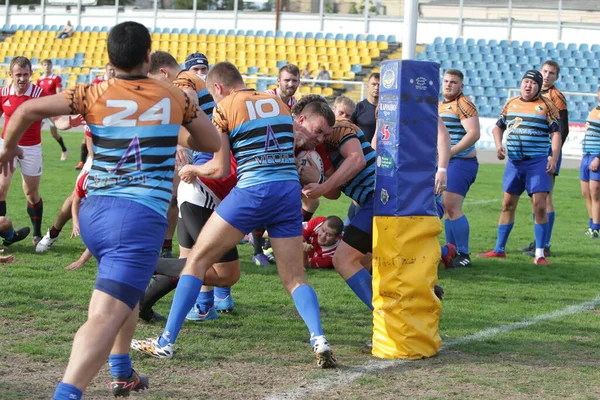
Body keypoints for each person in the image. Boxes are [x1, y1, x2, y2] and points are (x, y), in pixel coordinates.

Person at [0, 21, 219, 399]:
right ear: (148, 56)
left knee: (126, 294)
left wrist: (6, 148)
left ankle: (122, 372)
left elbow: (29, 110)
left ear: (110, 58)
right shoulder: (174, 97)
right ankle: (66, 394)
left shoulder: (92, 92)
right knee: (103, 317)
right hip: (134, 219)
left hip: (94, 213)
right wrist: (176, 122)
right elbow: (211, 140)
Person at [131, 62, 337, 369]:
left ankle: (166, 342)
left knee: (198, 260)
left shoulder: (225, 106)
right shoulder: (281, 104)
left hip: (253, 190)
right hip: (286, 192)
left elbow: (221, 168)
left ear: (217, 88)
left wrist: (191, 168)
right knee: (295, 278)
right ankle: (319, 339)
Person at [478, 70, 561, 265]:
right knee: (507, 204)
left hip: (537, 163)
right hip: (514, 163)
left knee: (540, 206)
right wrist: (499, 144)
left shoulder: (547, 105)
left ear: (539, 87)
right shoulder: (511, 103)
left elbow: (556, 134)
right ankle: (499, 249)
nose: (528, 85)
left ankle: (539, 253)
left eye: (533, 83)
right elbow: (497, 127)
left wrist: (553, 157)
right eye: (525, 81)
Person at [148, 50, 216, 258]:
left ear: (163, 72)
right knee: (179, 198)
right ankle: (174, 249)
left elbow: (189, 99)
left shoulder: (183, 79)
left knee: (187, 201)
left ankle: (198, 254)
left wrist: (177, 136)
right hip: (207, 148)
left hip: (205, 151)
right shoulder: (190, 78)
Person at [519, 60, 570, 257]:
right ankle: (538, 242)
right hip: (534, 152)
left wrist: (553, 154)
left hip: (547, 153)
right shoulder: (535, 94)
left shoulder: (556, 96)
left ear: (556, 77)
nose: (547, 76)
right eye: (545, 71)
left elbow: (563, 129)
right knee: (537, 199)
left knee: (546, 198)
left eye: (552, 73)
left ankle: (545, 245)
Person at [0, 56, 47, 245]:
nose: (22, 79)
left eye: (25, 74)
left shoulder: (39, 94)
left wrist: (67, 122)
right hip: (8, 145)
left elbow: (56, 116)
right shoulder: (3, 93)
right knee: (1, 189)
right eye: (18, 75)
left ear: (31, 74)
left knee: (31, 192)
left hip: (31, 148)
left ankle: (37, 234)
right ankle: (7, 235)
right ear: (10, 75)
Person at [438, 69, 481, 268]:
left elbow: (473, 133)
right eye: (446, 81)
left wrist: (451, 152)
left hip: (461, 162)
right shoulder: (439, 105)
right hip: (446, 162)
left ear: (461, 86)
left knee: (451, 205)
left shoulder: (463, 104)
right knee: (447, 208)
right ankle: (452, 251)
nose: (448, 85)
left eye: (453, 82)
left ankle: (463, 253)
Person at [74, 63, 116, 170]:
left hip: (110, 116)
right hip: (96, 115)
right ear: (106, 70)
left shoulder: (117, 82)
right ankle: (82, 161)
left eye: (113, 70)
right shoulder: (98, 81)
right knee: (86, 137)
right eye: (110, 70)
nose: (112, 72)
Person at [36, 59, 69, 161]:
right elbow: (37, 94)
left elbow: (59, 94)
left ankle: (64, 149)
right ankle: (36, 153)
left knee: (53, 134)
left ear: (51, 66)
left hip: (52, 109)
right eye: (44, 65)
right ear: (42, 66)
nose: (46, 67)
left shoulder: (56, 78)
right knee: (35, 131)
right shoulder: (39, 79)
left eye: (48, 65)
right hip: (42, 109)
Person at [580, 86, 600, 239]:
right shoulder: (594, 110)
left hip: (596, 157)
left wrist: (598, 158)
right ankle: (591, 225)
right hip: (586, 156)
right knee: (586, 193)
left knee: (595, 193)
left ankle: (596, 228)